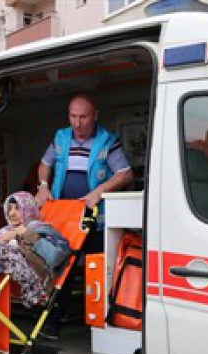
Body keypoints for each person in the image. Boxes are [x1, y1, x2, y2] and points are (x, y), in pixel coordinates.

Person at [34, 94, 133, 338]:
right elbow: (44, 163)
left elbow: (125, 173)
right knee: (62, 268)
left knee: (96, 270)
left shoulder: (108, 140)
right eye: (73, 117)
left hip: (93, 218)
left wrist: (98, 192)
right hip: (64, 217)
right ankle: (54, 323)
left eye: (83, 117)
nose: (77, 123)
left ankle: (99, 330)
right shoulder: (61, 137)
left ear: (95, 115)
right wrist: (43, 186)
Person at [0, 191, 70, 308]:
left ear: (28, 209)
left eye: (17, 208)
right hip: (9, 271)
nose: (12, 213)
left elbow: (56, 256)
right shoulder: (4, 231)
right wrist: (3, 240)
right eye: (9, 209)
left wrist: (26, 234)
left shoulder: (40, 229)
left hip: (34, 276)